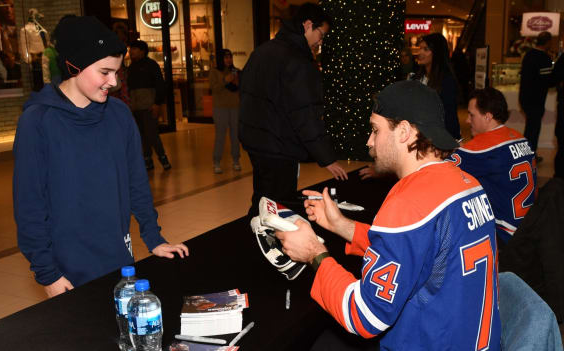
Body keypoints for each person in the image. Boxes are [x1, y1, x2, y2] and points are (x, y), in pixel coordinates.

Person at [276, 81, 501, 350]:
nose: (369, 141)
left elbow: (364, 316)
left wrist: (314, 252)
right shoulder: (470, 183)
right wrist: (342, 225)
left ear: (404, 132)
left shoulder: (408, 202)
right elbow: (417, 252)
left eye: (375, 129)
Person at [13, 16, 188, 298]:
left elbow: (136, 184)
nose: (114, 82)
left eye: (118, 72)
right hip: (65, 267)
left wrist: (153, 239)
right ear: (73, 66)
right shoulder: (38, 122)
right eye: (105, 72)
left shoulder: (119, 115)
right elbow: (29, 205)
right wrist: (48, 274)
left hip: (119, 259)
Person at [239, 3, 347, 217]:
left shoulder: (262, 52)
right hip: (279, 145)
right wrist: (326, 157)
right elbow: (305, 114)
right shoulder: (296, 60)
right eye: (321, 34)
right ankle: (269, 242)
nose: (320, 42)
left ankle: (255, 236)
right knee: (279, 204)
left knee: (263, 198)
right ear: (307, 25)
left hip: (257, 141)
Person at [449, 87, 536, 245]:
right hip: (529, 225)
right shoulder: (522, 139)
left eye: (471, 115)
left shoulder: (480, 148)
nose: (468, 120)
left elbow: (440, 168)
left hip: (505, 234)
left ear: (488, 117)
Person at [127, 40, 171, 171]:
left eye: (134, 49)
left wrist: (157, 103)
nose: (131, 52)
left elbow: (160, 85)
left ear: (142, 51)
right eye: (131, 49)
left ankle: (163, 158)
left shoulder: (151, 65)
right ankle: (147, 160)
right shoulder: (131, 67)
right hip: (135, 107)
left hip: (149, 106)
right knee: (141, 135)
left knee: (152, 134)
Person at [412, 33, 461, 140]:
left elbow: (450, 115)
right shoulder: (417, 77)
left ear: (437, 53)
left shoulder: (446, 81)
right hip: (418, 135)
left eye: (426, 49)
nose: (420, 52)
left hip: (438, 138)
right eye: (420, 48)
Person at [519, 31, 556, 158]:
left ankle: (527, 153)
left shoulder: (528, 55)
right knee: (533, 129)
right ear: (547, 42)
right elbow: (548, 81)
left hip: (525, 98)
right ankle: (530, 155)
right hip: (536, 100)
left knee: (530, 128)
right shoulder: (544, 58)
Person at [209, 48, 241, 174]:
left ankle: (236, 160)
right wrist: (225, 81)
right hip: (220, 108)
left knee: (235, 136)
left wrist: (236, 81)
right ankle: (217, 162)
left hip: (235, 107)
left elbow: (239, 88)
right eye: (226, 58)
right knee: (220, 136)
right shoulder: (214, 72)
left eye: (230, 57)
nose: (229, 60)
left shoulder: (236, 71)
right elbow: (214, 88)